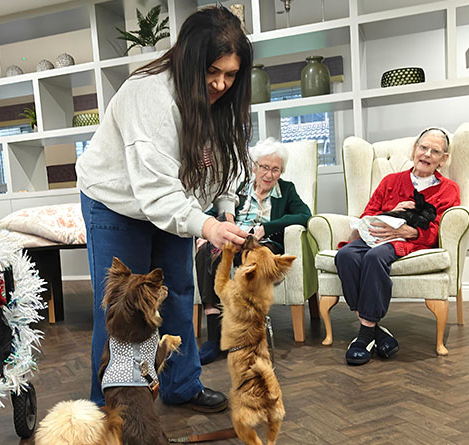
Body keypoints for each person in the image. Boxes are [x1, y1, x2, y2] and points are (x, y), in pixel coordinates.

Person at [75, 6, 252, 412]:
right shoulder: (149, 95)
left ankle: (181, 386)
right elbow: (154, 190)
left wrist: (223, 208)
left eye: (230, 74)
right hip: (116, 202)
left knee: (177, 293)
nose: (221, 83)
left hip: (176, 202)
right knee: (127, 306)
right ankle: (114, 407)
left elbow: (220, 161)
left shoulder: (220, 98)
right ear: (189, 58)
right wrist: (205, 227)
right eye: (213, 71)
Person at [334, 128, 461, 366]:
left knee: (375, 258)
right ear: (414, 149)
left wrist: (408, 231)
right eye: (423, 147)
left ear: (443, 159)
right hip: (375, 235)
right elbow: (368, 214)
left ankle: (363, 338)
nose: (427, 154)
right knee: (346, 255)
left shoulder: (448, 189)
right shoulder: (390, 181)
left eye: (435, 151)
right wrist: (389, 214)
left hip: (407, 242)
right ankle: (374, 330)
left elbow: (439, 229)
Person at [195, 137, 312, 364]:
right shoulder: (238, 189)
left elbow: (304, 215)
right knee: (205, 251)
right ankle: (215, 336)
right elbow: (211, 210)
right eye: (265, 167)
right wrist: (206, 232)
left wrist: (265, 228)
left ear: (281, 172)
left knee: (254, 256)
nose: (269, 174)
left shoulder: (286, 190)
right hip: (232, 237)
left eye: (275, 169)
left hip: (261, 243)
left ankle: (248, 334)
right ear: (254, 167)